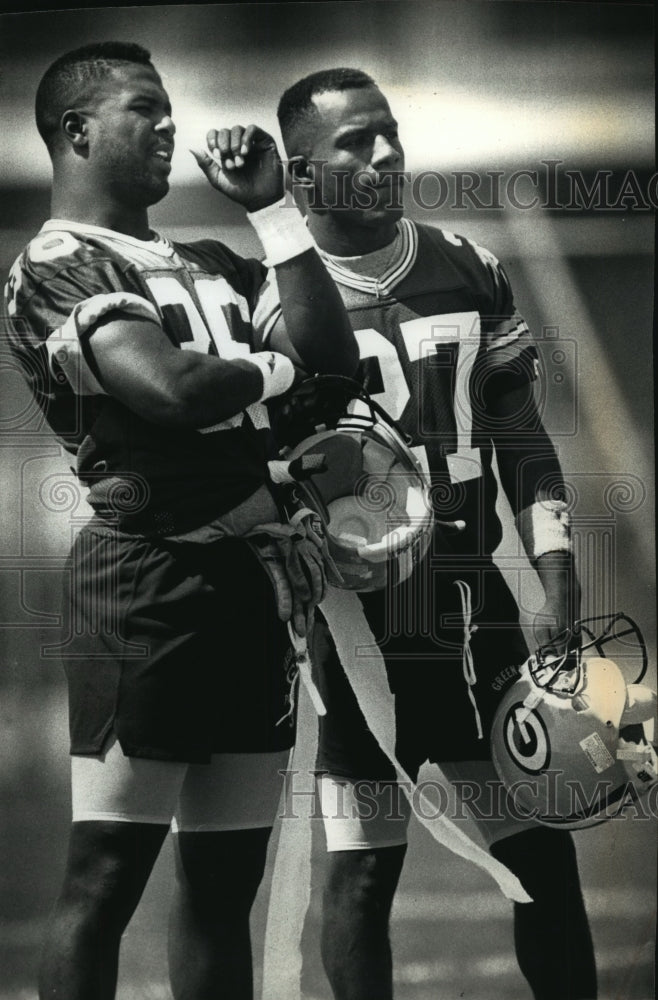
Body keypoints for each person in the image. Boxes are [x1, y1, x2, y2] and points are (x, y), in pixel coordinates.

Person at [3, 43, 357, 1000]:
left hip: (251, 583)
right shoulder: (56, 264)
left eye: (170, 109)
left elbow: (335, 358)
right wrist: (279, 372)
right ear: (77, 131)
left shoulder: (211, 260)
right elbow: (172, 390)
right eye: (144, 108)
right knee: (106, 878)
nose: (169, 125)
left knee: (223, 886)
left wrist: (275, 213)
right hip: (145, 585)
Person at [276, 68, 597, 1000]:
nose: (386, 155)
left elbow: (521, 437)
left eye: (391, 134)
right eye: (356, 142)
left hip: (470, 607)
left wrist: (556, 571)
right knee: (361, 872)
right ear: (302, 175)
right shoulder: (272, 300)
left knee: (543, 856)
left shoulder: (468, 265)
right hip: (352, 632)